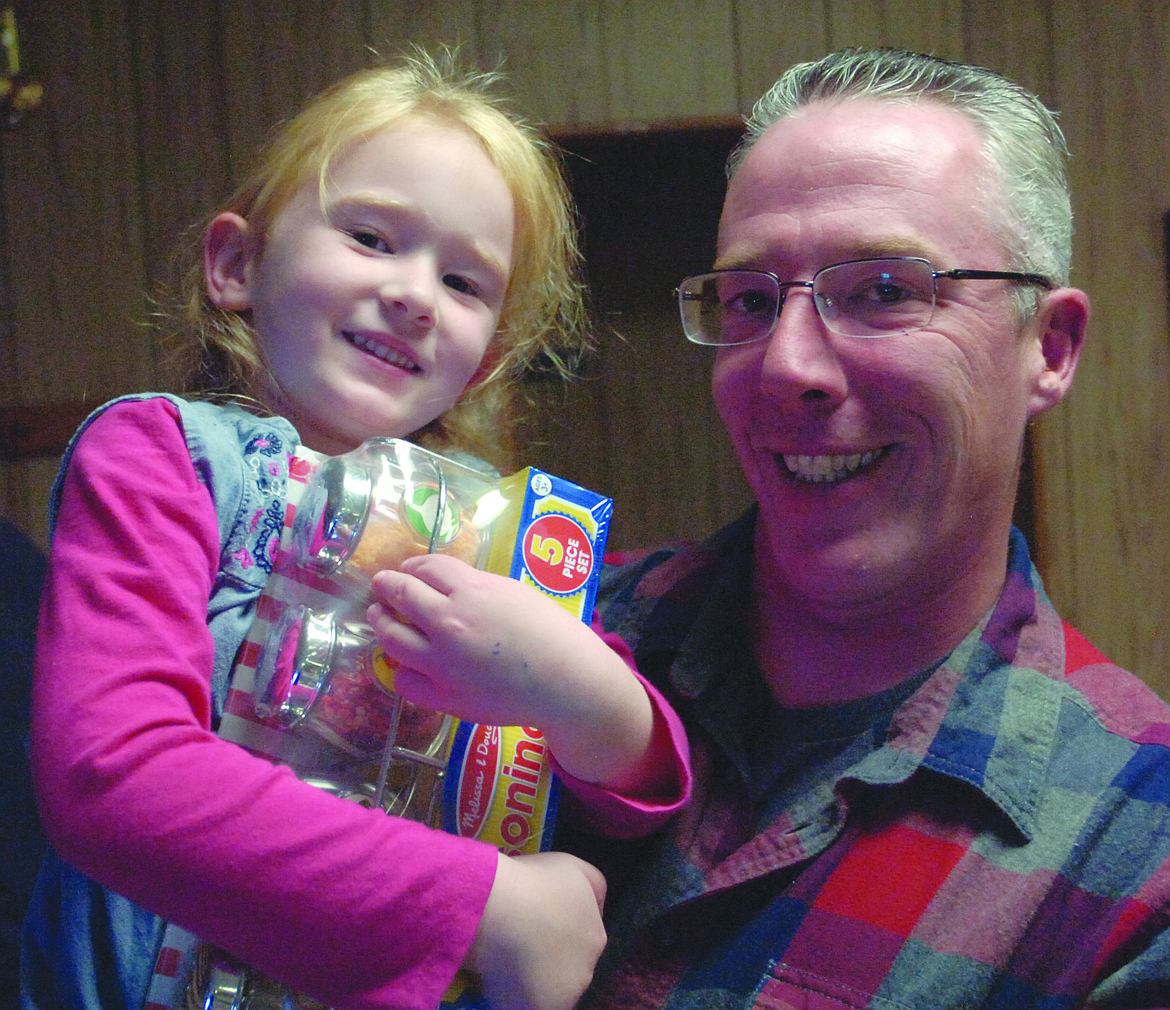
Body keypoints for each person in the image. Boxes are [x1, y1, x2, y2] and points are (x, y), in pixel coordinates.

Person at [22, 51, 689, 1010]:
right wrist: (483, 906)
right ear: (237, 264)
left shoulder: (506, 531)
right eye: (373, 238)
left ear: (486, 359)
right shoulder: (166, 457)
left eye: (464, 282)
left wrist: (589, 695)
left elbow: (637, 795)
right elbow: (110, 775)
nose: (416, 293)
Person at [565, 47, 1170, 1009]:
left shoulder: (1138, 853)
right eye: (753, 301)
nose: (786, 366)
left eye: (886, 291)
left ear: (1048, 349)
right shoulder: (560, 626)